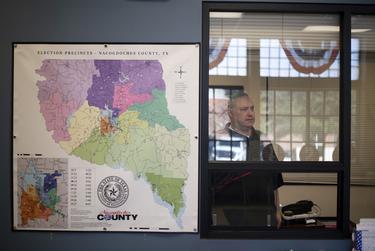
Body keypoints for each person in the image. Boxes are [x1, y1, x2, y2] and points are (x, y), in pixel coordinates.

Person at [209, 92, 283, 228]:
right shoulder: (218, 140)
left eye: (252, 108)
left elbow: (274, 180)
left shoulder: (263, 140)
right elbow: (209, 185)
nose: (250, 113)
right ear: (230, 112)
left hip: (263, 215)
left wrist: (278, 211)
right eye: (244, 109)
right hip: (226, 216)